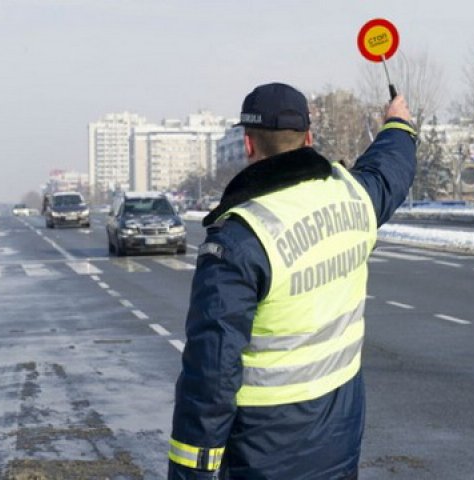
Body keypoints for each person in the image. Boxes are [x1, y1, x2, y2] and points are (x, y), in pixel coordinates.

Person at [168, 82, 417, 480]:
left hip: (265, 447)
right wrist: (398, 125)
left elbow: (213, 372)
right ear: (309, 138)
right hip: (340, 429)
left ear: (248, 144)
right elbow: (390, 171)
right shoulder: (352, 197)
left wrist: (190, 471)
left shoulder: (240, 236)